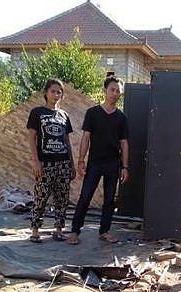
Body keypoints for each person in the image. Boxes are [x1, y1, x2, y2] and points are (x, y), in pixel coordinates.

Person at [67, 76, 129, 245]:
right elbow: (86, 138)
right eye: (112, 89)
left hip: (113, 163)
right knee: (85, 196)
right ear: (105, 90)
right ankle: (74, 231)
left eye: (118, 91)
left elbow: (124, 143)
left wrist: (125, 166)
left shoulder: (121, 118)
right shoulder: (93, 113)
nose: (115, 93)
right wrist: (80, 161)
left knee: (109, 200)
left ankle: (104, 231)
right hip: (94, 162)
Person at [26, 78, 75, 243]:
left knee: (62, 198)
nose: (56, 94)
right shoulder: (37, 113)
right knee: (40, 197)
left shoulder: (64, 115)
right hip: (45, 163)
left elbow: (67, 141)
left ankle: (58, 230)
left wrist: (72, 165)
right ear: (46, 93)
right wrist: (36, 161)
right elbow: (32, 138)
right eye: (53, 91)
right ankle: (35, 231)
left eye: (59, 92)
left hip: (63, 164)